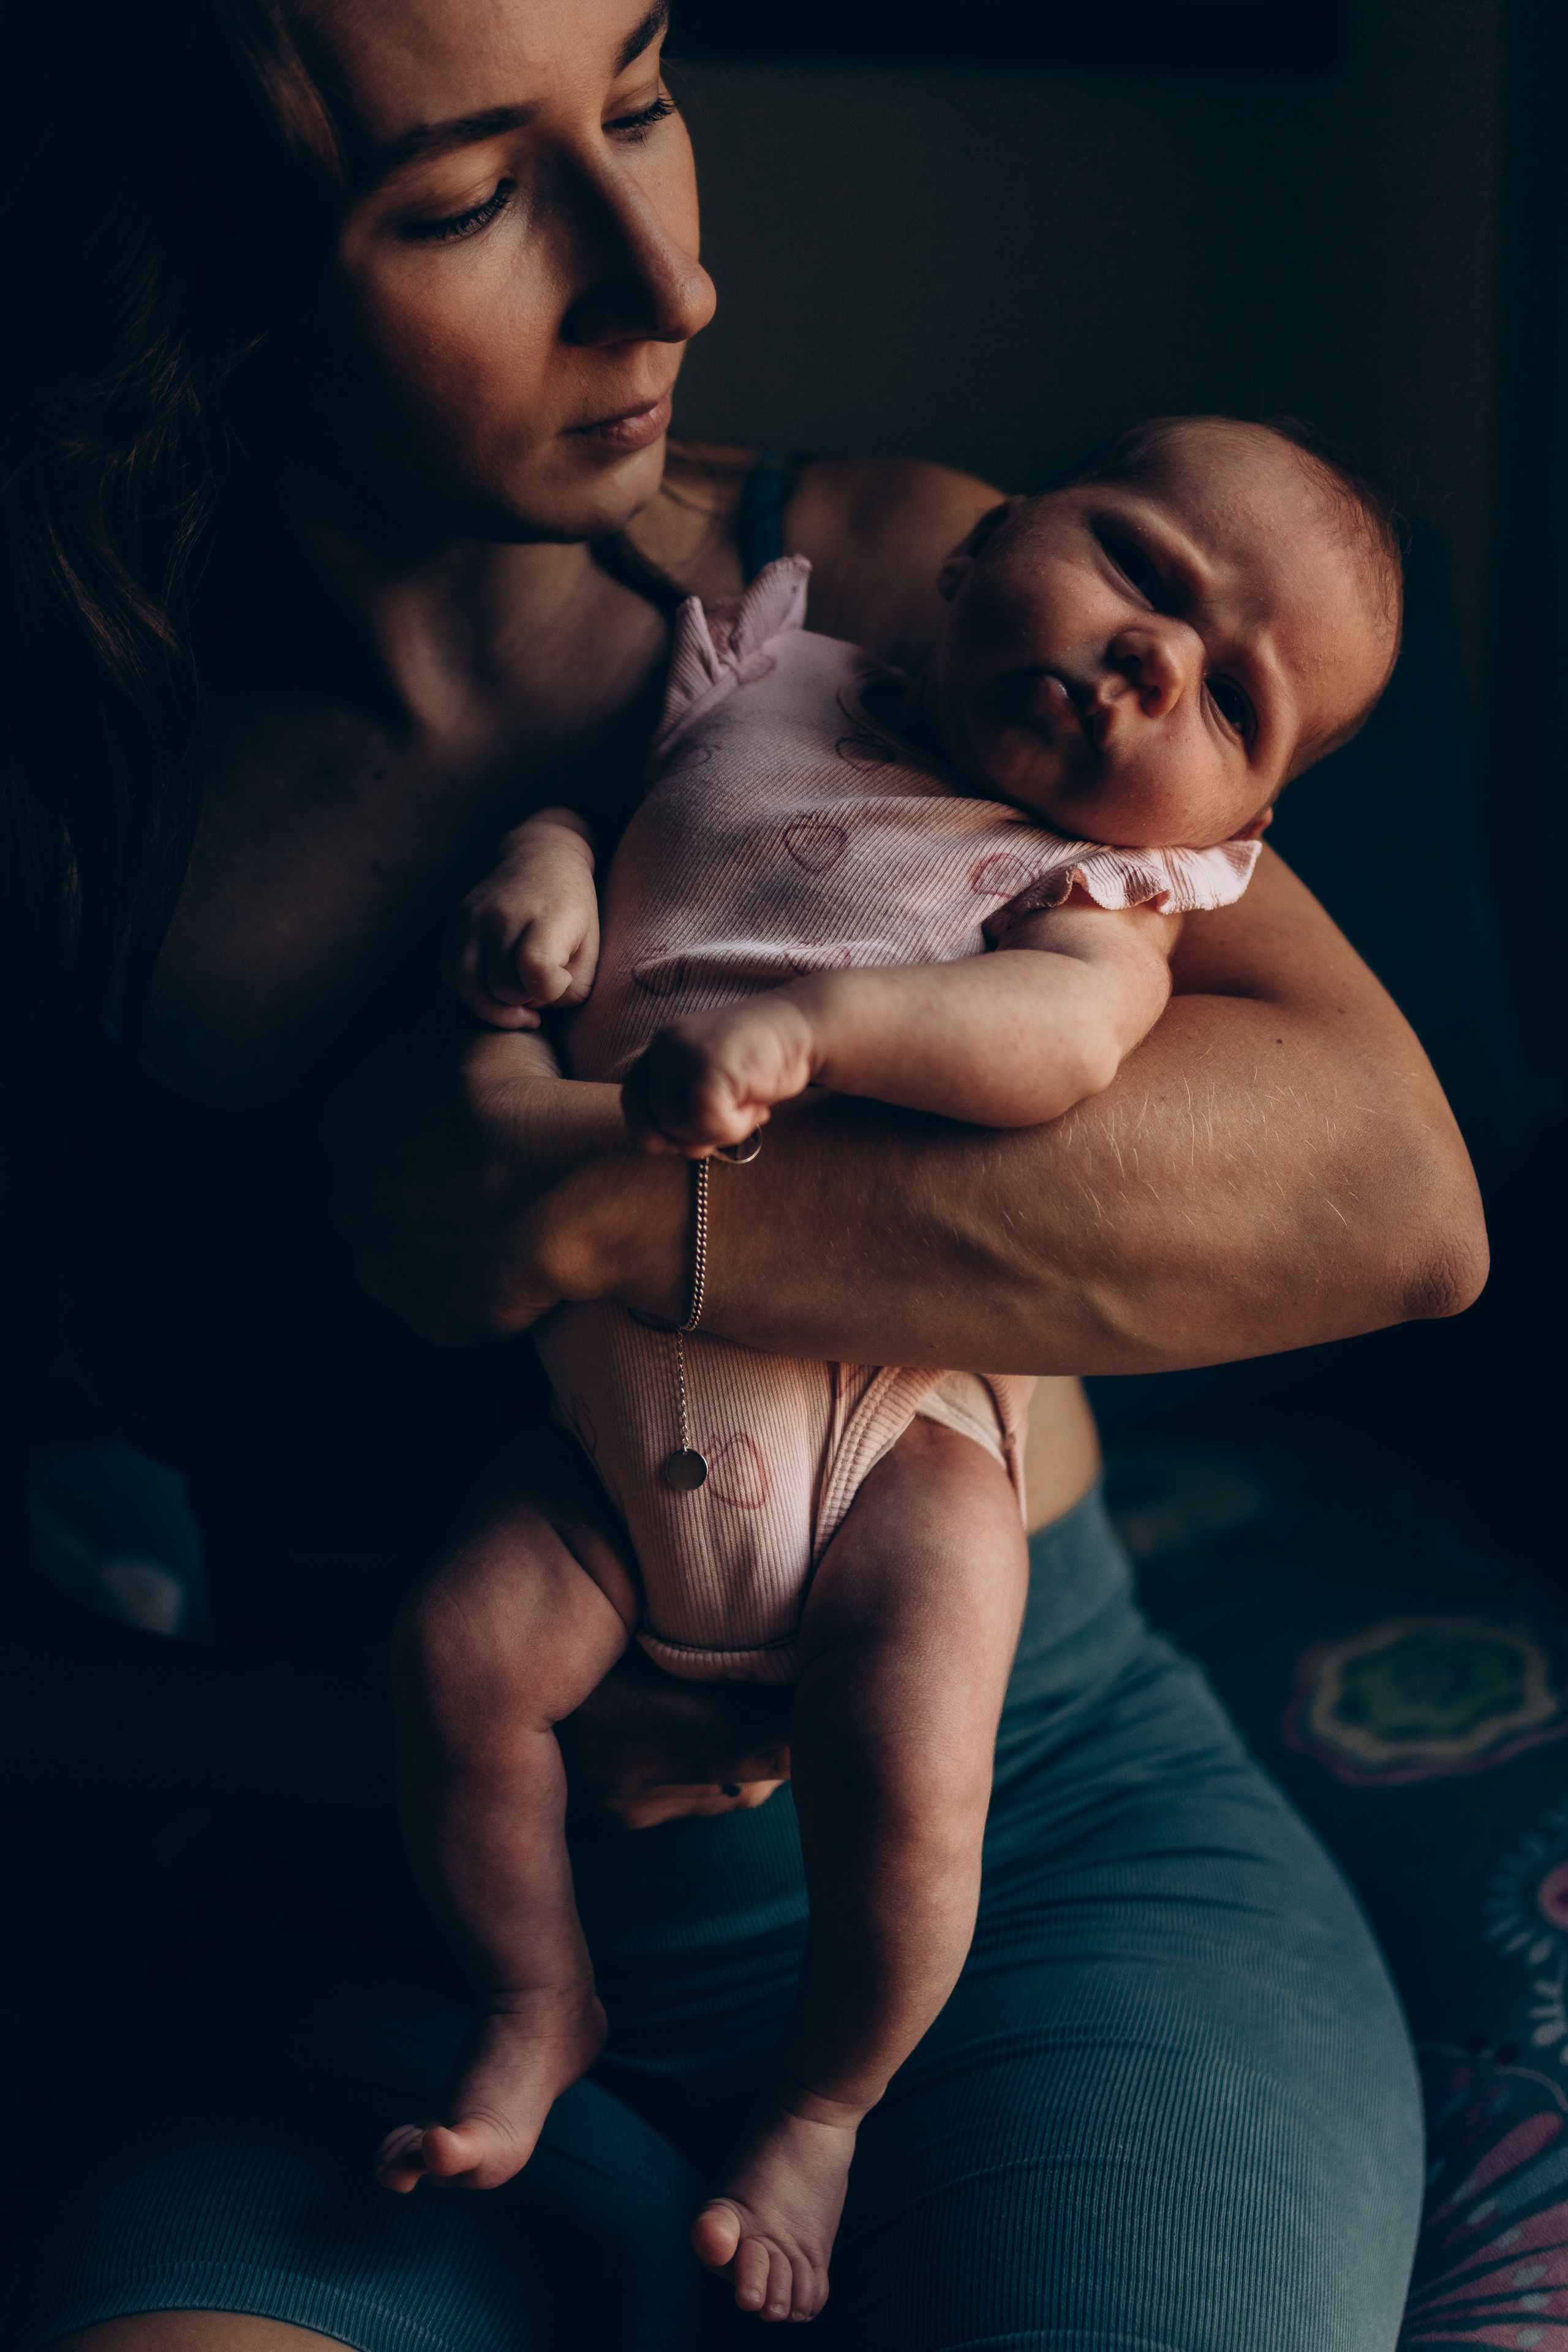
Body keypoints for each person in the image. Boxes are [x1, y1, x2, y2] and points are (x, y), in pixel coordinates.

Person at [0, 0, 1485, 2343]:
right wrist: (381, 1734)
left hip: (1054, 1869)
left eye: (650, 93)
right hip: (393, 1959)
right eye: (473, 197)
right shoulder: (80, 834)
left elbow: (1396, 1197)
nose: (669, 283)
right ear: (187, 279)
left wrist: (597, 1206)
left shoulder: (886, 585)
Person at [383, 418, 1404, 2327]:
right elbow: (603, 814)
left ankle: (830, 2099)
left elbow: (1054, 1050)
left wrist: (818, 1035)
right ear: (976, 546)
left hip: (889, 1443)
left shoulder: (1093, 894)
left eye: (1230, 697)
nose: (1154, 658)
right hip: (606, 1449)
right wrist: (544, 886)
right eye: (1144, 571)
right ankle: (540, 1996)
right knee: (459, 1656)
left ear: (1223, 829)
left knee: (917, 1745)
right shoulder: (754, 669)